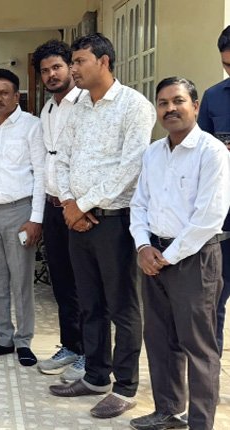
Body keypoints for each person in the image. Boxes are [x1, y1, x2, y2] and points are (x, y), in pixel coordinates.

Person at [49, 33, 155, 420]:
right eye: (73, 62)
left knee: (122, 306)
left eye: (79, 61)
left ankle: (125, 387)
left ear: (104, 62)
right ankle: (95, 376)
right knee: (89, 303)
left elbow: (132, 166)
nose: (73, 69)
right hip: (78, 222)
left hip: (115, 221)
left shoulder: (134, 106)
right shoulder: (78, 108)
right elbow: (61, 159)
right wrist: (69, 203)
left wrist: (84, 205)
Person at [129, 76, 230, 430]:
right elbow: (139, 204)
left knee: (198, 345)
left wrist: (167, 256)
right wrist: (143, 246)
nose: (170, 109)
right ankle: (168, 411)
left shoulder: (212, 153)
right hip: (153, 255)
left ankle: (201, 423)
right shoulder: (153, 153)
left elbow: (209, 217)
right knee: (159, 339)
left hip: (195, 258)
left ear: (196, 107)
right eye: (163, 103)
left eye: (178, 101)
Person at [0, 68, 45, 367]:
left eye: (4, 93)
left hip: (20, 212)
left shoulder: (32, 126)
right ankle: (3, 338)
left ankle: (24, 340)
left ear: (17, 96)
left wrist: (36, 218)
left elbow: (41, 174)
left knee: (21, 280)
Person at [32, 40, 86, 381]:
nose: (51, 75)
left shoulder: (84, 104)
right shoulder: (48, 110)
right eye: (45, 71)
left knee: (86, 284)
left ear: (70, 67)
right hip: (53, 207)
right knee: (62, 282)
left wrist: (79, 204)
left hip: (79, 208)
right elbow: (44, 164)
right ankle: (71, 345)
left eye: (57, 67)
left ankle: (91, 354)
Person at [198, 25, 230, 356]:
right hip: (224, 218)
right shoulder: (214, 97)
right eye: (227, 65)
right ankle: (209, 370)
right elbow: (200, 154)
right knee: (214, 297)